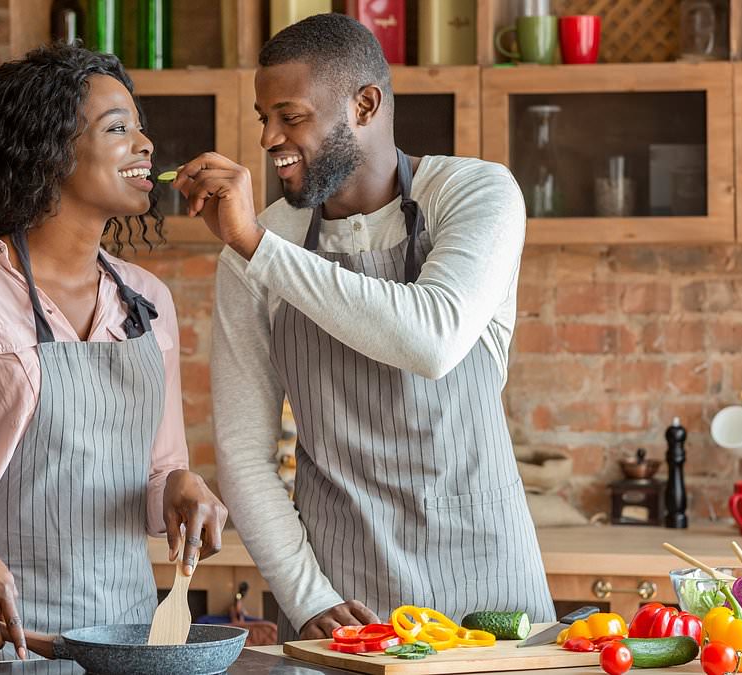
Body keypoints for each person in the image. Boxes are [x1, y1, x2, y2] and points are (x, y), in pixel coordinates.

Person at [170, 14, 555, 641]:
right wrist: (307, 597)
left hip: (494, 592)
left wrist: (257, 246)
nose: (268, 137)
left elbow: (431, 339)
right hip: (347, 604)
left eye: (290, 116)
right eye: (262, 117)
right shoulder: (260, 246)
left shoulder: (475, 194)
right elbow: (243, 452)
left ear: (365, 104)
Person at [0, 44, 227, 663]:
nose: (146, 144)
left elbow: (155, 476)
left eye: (139, 127)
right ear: (49, 151)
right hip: (4, 633)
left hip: (130, 635)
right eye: (118, 128)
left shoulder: (147, 300)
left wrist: (181, 486)